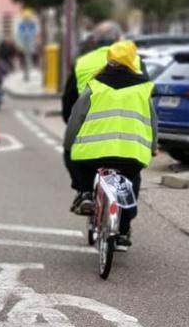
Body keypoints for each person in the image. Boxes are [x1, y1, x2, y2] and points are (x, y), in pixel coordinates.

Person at [63, 40, 156, 247]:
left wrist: (69, 144)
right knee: (132, 179)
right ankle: (123, 230)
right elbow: (153, 120)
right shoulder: (143, 88)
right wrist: (153, 146)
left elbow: (76, 117)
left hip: (94, 153)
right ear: (133, 61)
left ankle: (86, 192)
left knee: (79, 162)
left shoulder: (95, 85)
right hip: (131, 154)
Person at [61, 20, 143, 210]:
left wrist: (71, 125)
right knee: (132, 174)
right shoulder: (137, 63)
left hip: (91, 133)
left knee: (73, 153)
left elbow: (69, 101)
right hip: (130, 137)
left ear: (94, 41)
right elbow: (147, 102)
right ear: (118, 39)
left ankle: (85, 192)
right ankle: (124, 229)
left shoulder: (83, 63)